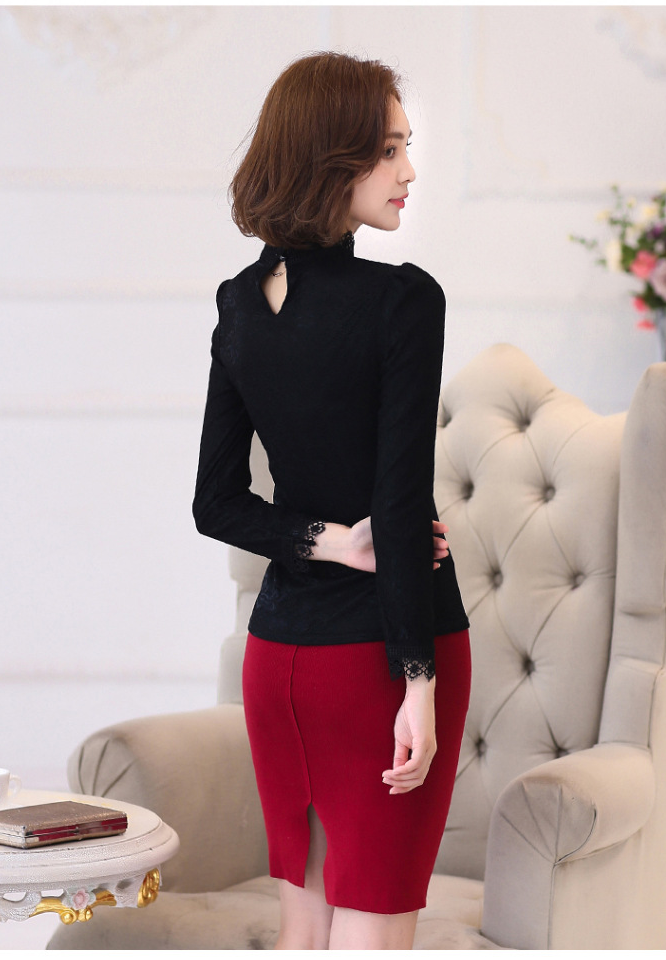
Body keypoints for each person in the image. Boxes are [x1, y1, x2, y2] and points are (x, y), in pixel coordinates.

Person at [193, 51, 471, 951]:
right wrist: (418, 681)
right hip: (376, 660)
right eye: (389, 150)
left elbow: (216, 503)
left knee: (305, 931)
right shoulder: (402, 301)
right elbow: (399, 499)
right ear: (331, 157)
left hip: (278, 663)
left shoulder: (238, 306)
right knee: (373, 935)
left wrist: (329, 539)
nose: (409, 170)